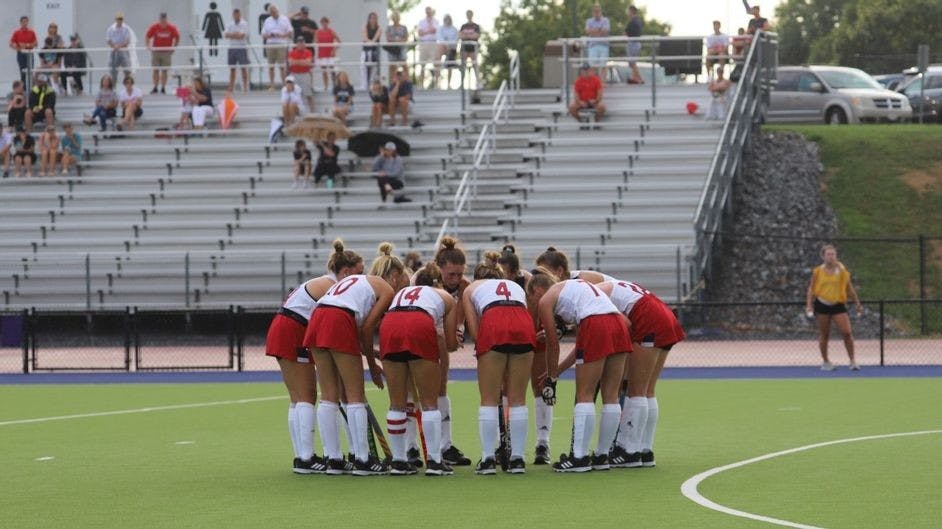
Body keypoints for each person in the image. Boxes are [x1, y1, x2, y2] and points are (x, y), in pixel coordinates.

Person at [265, 239, 364, 474]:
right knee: (306, 395)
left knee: (298, 398)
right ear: (346, 271)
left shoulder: (323, 281)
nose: (361, 278)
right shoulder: (330, 285)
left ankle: (303, 455)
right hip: (293, 328)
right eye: (359, 273)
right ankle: (307, 458)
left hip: (286, 326)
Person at [302, 243, 398, 476]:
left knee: (329, 396)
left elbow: (357, 333)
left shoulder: (353, 283)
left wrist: (369, 355)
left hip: (318, 317)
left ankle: (333, 458)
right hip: (338, 318)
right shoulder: (386, 289)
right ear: (394, 276)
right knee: (355, 395)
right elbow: (366, 330)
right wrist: (374, 367)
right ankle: (364, 461)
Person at [527, 273, 631, 472]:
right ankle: (602, 456)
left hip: (596, 324)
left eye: (529, 298)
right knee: (611, 396)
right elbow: (584, 345)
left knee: (584, 394)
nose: (531, 303)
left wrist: (551, 378)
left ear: (537, 291)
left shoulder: (546, 300)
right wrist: (556, 371)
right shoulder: (577, 289)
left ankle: (579, 457)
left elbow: (552, 344)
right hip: (617, 324)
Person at [461, 253, 537, 475]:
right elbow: (528, 315)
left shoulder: (470, 289)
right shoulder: (516, 286)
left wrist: (488, 358)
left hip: (494, 323)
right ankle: (518, 460)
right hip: (522, 324)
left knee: (488, 399)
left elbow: (475, 333)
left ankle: (486, 460)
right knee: (518, 399)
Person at [380, 262, 459, 475]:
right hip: (419, 324)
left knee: (396, 403)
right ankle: (434, 461)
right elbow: (451, 345)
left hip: (390, 324)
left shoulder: (404, 291)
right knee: (429, 402)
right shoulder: (446, 297)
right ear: (439, 283)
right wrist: (455, 338)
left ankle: (398, 461)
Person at [599, 279, 685, 469]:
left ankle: (629, 451)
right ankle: (645, 449)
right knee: (647, 391)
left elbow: (626, 324)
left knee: (635, 390)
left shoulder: (591, 291)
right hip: (663, 314)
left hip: (649, 319)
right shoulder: (611, 284)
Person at [428, 236, 473, 467]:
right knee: (412, 392)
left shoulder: (465, 286)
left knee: (441, 388)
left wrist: (456, 332)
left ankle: (444, 446)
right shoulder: (425, 280)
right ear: (439, 269)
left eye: (459, 274)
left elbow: (459, 323)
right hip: (419, 334)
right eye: (450, 275)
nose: (455, 279)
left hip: (439, 337)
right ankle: (412, 447)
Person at [805, 245, 862, 371]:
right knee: (824, 334)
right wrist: (809, 305)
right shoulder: (818, 271)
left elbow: (849, 288)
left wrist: (857, 303)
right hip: (822, 304)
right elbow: (811, 289)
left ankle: (852, 361)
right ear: (823, 256)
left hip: (838, 304)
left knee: (847, 332)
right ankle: (826, 362)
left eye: (833, 254)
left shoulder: (841, 270)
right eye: (828, 254)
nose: (831, 257)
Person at [145, 13, 180, 94]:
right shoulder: (154, 27)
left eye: (164, 18)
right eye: (161, 18)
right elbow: (147, 36)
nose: (163, 20)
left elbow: (177, 37)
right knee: (155, 70)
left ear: (166, 19)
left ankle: (163, 87)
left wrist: (174, 47)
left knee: (164, 71)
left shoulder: (171, 28)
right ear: (159, 19)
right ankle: (155, 87)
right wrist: (148, 46)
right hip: (156, 51)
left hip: (166, 52)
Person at [262, 5, 293, 90]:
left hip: (281, 44)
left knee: (282, 66)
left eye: (274, 11)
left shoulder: (285, 19)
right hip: (270, 44)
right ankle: (272, 85)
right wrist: (270, 35)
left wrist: (283, 35)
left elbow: (290, 31)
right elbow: (263, 34)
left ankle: (284, 85)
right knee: (271, 66)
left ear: (277, 11)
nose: (273, 13)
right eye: (271, 12)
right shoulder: (267, 20)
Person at [225, 9, 250, 93]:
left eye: (238, 14)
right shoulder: (230, 24)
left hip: (241, 47)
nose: (236, 16)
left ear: (240, 14)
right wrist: (235, 34)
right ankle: (231, 87)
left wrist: (232, 35)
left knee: (243, 68)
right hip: (232, 48)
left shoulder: (244, 23)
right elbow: (226, 35)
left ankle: (245, 87)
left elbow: (242, 35)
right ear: (233, 15)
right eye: (235, 14)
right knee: (232, 69)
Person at [287, 36, 315, 111]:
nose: (300, 44)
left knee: (309, 94)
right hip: (294, 74)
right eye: (299, 42)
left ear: (304, 43)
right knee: (293, 95)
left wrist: (296, 61)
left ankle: (312, 111)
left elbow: (308, 63)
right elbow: (290, 62)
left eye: (302, 42)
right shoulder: (291, 52)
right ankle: (295, 111)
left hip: (305, 74)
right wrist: (302, 61)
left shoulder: (308, 52)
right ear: (296, 44)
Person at [416, 6, 440, 87]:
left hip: (433, 44)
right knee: (422, 64)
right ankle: (421, 84)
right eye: (427, 11)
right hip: (423, 44)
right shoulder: (421, 21)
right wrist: (429, 30)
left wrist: (425, 31)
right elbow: (420, 33)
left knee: (436, 64)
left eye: (429, 11)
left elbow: (434, 30)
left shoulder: (436, 21)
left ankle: (437, 84)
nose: (428, 13)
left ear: (431, 12)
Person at [9, 16, 38, 84]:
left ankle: (31, 88)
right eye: (23, 22)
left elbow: (36, 43)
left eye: (26, 21)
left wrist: (27, 45)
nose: (25, 23)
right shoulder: (17, 32)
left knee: (30, 71)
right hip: (21, 54)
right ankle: (23, 89)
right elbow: (11, 44)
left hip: (30, 54)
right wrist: (18, 48)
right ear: (20, 22)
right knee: (23, 72)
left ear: (27, 22)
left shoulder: (31, 32)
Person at [314, 17, 341, 91]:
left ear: (328, 23)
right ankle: (325, 86)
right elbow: (316, 41)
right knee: (324, 71)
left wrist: (334, 50)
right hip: (322, 54)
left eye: (325, 22)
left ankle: (335, 85)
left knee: (333, 70)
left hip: (330, 53)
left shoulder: (331, 31)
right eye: (322, 22)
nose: (324, 24)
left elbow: (339, 41)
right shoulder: (318, 32)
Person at [458, 11, 481, 89]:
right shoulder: (463, 26)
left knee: (475, 65)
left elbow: (476, 36)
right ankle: (461, 84)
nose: (469, 16)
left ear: (472, 15)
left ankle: (478, 83)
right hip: (464, 48)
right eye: (467, 14)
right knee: (463, 65)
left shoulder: (476, 26)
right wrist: (470, 35)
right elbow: (461, 36)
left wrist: (467, 36)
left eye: (470, 14)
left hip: (473, 48)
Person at [106, 12, 133, 80]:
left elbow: (127, 41)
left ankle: (128, 87)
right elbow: (108, 40)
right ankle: (113, 88)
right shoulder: (110, 29)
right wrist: (114, 46)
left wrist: (119, 46)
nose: (120, 20)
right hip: (113, 51)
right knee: (113, 72)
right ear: (116, 19)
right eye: (118, 19)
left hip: (124, 51)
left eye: (121, 19)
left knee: (127, 71)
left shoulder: (126, 29)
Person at [385, 11, 409, 83]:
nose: (395, 19)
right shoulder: (389, 28)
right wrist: (396, 40)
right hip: (392, 49)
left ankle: (407, 82)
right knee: (392, 67)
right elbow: (388, 38)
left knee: (404, 66)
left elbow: (406, 38)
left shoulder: (404, 27)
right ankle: (392, 83)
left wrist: (398, 40)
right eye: (394, 17)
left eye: (396, 17)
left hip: (401, 49)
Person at [584, 4, 610, 69]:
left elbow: (606, 31)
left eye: (598, 11)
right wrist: (600, 30)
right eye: (595, 11)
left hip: (604, 46)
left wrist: (593, 31)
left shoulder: (606, 20)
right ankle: (594, 79)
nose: (596, 13)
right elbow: (587, 31)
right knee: (592, 66)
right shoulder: (589, 21)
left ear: (601, 12)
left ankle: (602, 79)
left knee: (603, 67)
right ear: (592, 12)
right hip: (593, 46)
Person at [436, 15, 459, 88]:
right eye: (446, 19)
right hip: (442, 47)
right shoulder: (440, 28)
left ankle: (449, 84)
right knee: (438, 63)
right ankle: (437, 83)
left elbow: (456, 38)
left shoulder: (454, 29)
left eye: (448, 19)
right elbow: (439, 38)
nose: (447, 20)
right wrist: (446, 44)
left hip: (451, 48)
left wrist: (449, 45)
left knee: (450, 65)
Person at [361, 13, 382, 90]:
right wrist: (370, 43)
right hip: (366, 51)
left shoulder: (379, 28)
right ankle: (364, 85)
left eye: (374, 18)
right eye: (371, 18)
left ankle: (371, 85)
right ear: (369, 19)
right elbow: (365, 37)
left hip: (374, 51)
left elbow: (376, 38)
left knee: (374, 68)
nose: (373, 20)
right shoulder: (365, 27)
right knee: (363, 67)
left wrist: (371, 43)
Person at [624, 5, 643, 84]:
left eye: (628, 10)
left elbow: (627, 32)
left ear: (631, 11)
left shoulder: (633, 20)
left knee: (632, 62)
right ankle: (634, 78)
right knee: (632, 62)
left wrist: (626, 33)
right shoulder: (638, 20)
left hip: (633, 43)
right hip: (635, 43)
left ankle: (640, 79)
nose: (627, 12)